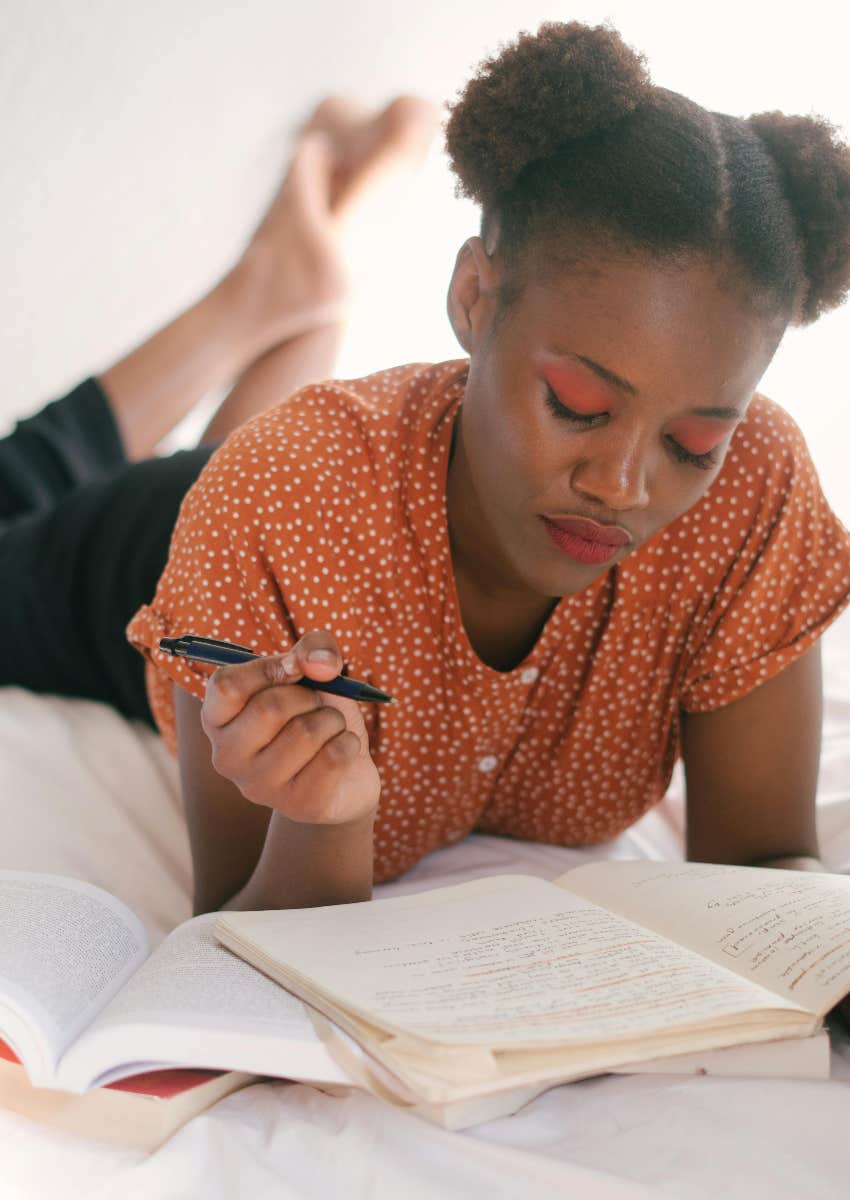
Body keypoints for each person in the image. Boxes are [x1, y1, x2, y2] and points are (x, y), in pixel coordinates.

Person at [127, 20, 850, 916]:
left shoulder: (753, 486)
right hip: (125, 546)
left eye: (689, 445)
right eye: (579, 406)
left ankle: (302, 276)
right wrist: (324, 824)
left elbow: (765, 870)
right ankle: (269, 285)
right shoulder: (280, 493)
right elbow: (235, 928)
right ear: (475, 297)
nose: (622, 487)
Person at [0, 96, 438, 722]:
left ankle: (296, 254)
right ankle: (289, 257)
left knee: (38, 490)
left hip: (221, 556)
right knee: (51, 484)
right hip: (223, 553)